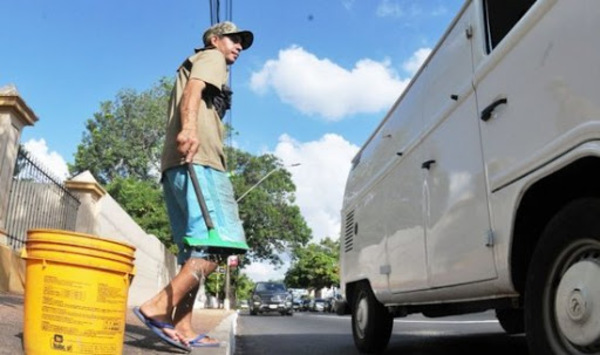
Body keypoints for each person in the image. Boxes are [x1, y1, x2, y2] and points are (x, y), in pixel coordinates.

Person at [133, 21, 253, 351]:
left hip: (177, 165)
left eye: (242, 42)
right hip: (199, 161)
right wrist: (189, 129)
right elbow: (193, 91)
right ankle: (156, 306)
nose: (239, 46)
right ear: (215, 39)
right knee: (221, 244)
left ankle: (182, 325)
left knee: (195, 250)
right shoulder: (211, 57)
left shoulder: (204, 61)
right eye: (234, 39)